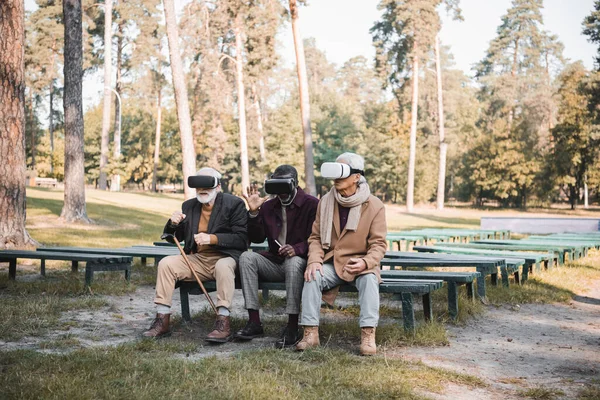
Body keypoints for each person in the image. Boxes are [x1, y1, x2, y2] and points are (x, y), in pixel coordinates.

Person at [143, 167, 248, 343]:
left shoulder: (234, 204)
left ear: (218, 186)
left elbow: (242, 239)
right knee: (166, 263)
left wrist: (212, 239)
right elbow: (175, 237)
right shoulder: (189, 206)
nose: (202, 190)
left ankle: (223, 321)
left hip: (225, 258)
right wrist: (173, 224)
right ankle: (162, 319)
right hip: (197, 260)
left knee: (222, 266)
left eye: (206, 186)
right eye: (199, 186)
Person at [296, 153, 387, 355]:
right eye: (335, 173)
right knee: (312, 276)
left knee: (370, 280)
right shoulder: (326, 202)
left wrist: (365, 263)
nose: (337, 178)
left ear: (356, 177)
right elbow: (316, 238)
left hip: (360, 262)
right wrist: (314, 261)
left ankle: (368, 334)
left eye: (342, 173)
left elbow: (379, 244)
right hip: (333, 264)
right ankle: (310, 333)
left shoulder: (374, 205)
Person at [235, 165, 319, 348]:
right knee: (247, 258)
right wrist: (254, 212)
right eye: (276, 187)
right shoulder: (268, 206)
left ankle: (292, 326)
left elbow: (317, 239)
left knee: (294, 261)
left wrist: (297, 249)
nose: (281, 193)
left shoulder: (312, 204)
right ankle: (254, 321)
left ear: (295, 184)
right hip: (274, 262)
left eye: (284, 187)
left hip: (299, 264)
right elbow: (257, 238)